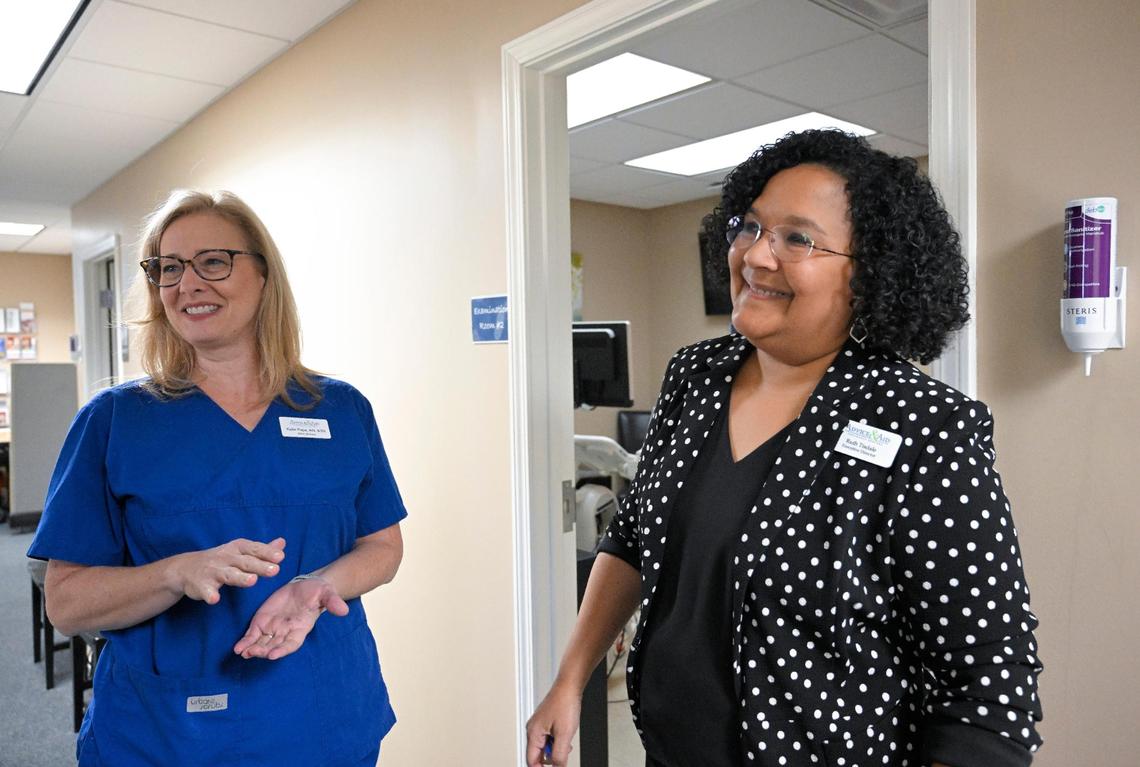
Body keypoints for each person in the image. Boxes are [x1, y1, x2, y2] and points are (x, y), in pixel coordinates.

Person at [526, 130, 1043, 767]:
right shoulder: (696, 375)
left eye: (797, 238)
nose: (756, 256)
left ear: (872, 274)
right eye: (750, 226)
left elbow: (990, 690)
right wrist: (570, 679)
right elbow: (631, 536)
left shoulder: (921, 423)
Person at [28, 190, 406, 766]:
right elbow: (67, 603)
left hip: (322, 715)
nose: (187, 284)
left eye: (213, 261)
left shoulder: (340, 409)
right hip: (167, 734)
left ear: (263, 275)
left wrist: (315, 586)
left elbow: (382, 548)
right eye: (168, 268)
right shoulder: (114, 421)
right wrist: (176, 573)